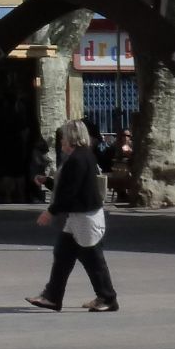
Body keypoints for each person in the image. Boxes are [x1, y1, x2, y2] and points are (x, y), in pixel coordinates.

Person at [26, 119, 118, 313]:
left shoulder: (78, 159)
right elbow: (66, 187)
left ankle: (108, 298)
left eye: (64, 137)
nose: (61, 141)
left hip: (84, 217)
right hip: (77, 217)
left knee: (93, 259)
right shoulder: (81, 156)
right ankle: (52, 296)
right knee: (62, 254)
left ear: (71, 137)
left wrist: (50, 212)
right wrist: (50, 182)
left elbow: (70, 192)